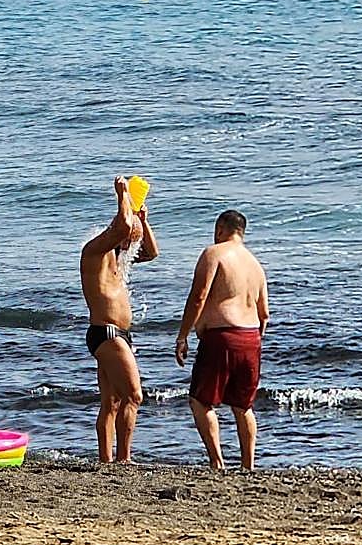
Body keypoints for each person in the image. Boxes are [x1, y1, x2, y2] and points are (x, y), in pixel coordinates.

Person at [175, 210, 269, 471]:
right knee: (243, 405)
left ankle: (217, 462)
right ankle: (248, 466)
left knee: (200, 400)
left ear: (220, 229)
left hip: (221, 336)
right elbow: (264, 315)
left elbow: (198, 296)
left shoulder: (213, 253)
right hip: (251, 338)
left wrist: (183, 336)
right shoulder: (255, 265)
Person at [80, 176, 159, 464]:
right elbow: (122, 226)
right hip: (106, 333)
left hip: (118, 335)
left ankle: (106, 461)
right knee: (134, 396)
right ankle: (124, 459)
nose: (131, 241)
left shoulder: (119, 257)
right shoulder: (94, 252)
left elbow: (151, 252)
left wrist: (143, 219)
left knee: (111, 403)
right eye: (129, 236)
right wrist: (122, 195)